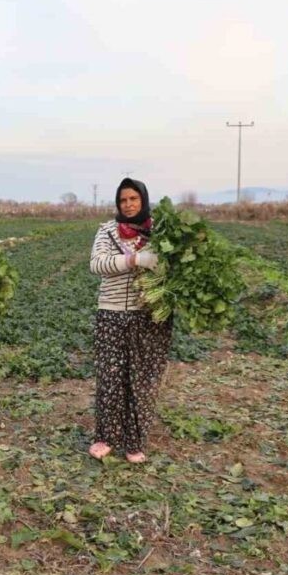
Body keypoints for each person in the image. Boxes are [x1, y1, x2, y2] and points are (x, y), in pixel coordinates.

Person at [87, 178, 171, 463]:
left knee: (143, 379)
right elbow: (96, 264)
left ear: (143, 200)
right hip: (111, 313)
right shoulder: (108, 231)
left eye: (134, 199)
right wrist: (134, 260)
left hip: (149, 316)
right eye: (123, 200)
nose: (129, 204)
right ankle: (105, 436)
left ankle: (134, 441)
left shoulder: (159, 231)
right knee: (111, 376)